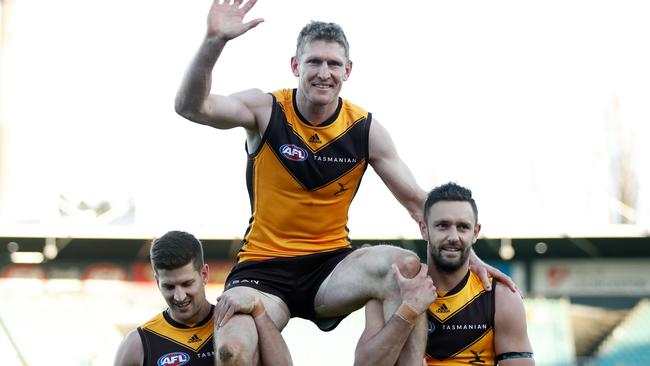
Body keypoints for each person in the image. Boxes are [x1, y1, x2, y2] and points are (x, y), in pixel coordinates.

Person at [174, 1, 515, 365]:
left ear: (348, 70)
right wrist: (214, 41)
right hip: (263, 269)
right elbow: (192, 107)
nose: (324, 72)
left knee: (405, 266)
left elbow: (419, 202)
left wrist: (473, 255)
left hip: (330, 271)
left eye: (334, 64)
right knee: (232, 350)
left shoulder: (364, 130)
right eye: (314, 62)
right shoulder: (266, 110)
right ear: (295, 66)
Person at [355, 182, 534, 366]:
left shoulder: (500, 297)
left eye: (463, 227)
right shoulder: (392, 288)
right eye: (442, 225)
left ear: (475, 232)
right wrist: (409, 310)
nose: (453, 237)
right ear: (424, 229)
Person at [113, 230, 292, 366]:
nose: (179, 296)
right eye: (169, 286)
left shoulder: (238, 326)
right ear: (157, 281)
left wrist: (259, 310)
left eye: (187, 283)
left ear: (204, 274)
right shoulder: (138, 344)